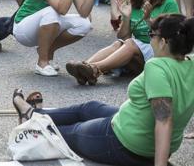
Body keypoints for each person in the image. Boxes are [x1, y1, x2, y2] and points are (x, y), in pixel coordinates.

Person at [12, 13, 194, 166]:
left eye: (151, 34)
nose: (149, 39)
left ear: (163, 42)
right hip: (135, 127)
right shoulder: (191, 64)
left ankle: (31, 125)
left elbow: (164, 121)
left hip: (126, 142)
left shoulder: (157, 67)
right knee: (89, 108)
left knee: (70, 132)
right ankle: (32, 113)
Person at [68, 0, 179, 85]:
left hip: (161, 53)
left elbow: (172, 38)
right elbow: (123, 36)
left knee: (131, 43)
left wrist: (149, 20)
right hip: (139, 54)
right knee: (118, 43)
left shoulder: (169, 3)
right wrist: (126, 17)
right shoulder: (132, 3)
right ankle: (84, 68)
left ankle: (94, 69)